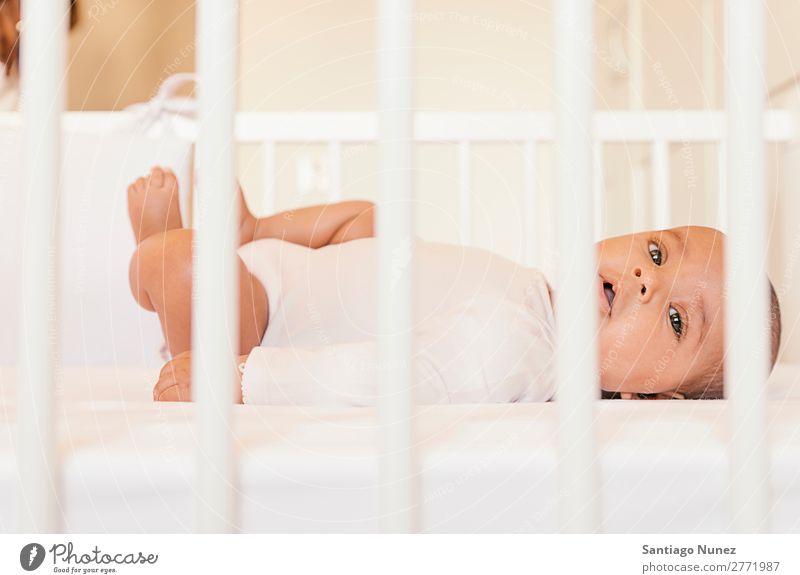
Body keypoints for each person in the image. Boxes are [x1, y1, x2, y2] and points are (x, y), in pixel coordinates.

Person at [127, 167, 781, 406]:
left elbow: (383, 375)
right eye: (658, 252)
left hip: (265, 320)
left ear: (646, 391)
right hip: (294, 269)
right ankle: (254, 229)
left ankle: (164, 259)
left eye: (674, 320)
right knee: (372, 221)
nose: (646, 278)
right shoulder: (542, 305)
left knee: (186, 263)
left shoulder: (519, 350)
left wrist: (246, 378)